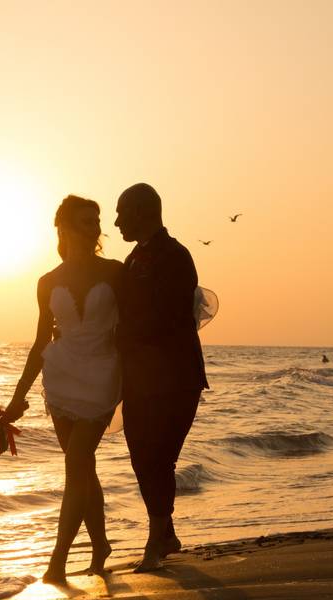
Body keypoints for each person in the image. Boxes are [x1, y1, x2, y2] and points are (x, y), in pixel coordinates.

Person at [4, 195, 124, 584]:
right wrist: (18, 396)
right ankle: (101, 543)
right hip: (60, 378)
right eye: (87, 222)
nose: (96, 229)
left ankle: (57, 562)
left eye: (97, 221)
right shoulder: (47, 282)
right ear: (65, 228)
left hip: (103, 374)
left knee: (76, 463)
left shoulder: (116, 272)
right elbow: (41, 342)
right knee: (82, 467)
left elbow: (138, 325)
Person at [114, 183, 209, 572]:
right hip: (139, 376)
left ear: (142, 212)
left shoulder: (175, 255)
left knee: (160, 457)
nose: (116, 221)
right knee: (141, 455)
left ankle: (157, 540)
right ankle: (165, 533)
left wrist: (125, 335)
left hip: (175, 376)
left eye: (122, 212)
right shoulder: (131, 258)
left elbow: (169, 317)